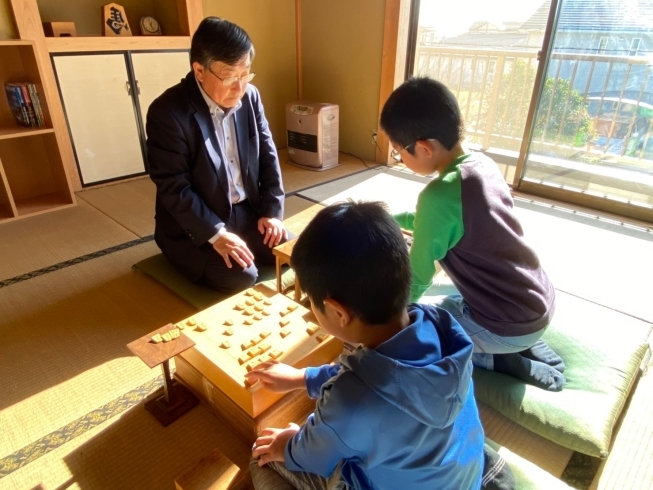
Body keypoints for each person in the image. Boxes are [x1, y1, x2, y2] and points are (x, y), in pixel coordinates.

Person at [245, 201, 485, 490]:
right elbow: (374, 376)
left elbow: (313, 451)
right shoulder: (440, 326)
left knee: (261, 455)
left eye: (310, 299)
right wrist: (302, 377)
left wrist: (289, 444)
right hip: (459, 475)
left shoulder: (350, 400)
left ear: (338, 312)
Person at [379, 77, 566, 391]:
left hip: (508, 325)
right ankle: (518, 344)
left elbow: (419, 276)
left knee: (428, 324)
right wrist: (386, 217)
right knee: (453, 301)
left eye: (399, 153)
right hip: (535, 298)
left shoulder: (438, 196)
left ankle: (501, 358)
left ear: (423, 149)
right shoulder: (482, 165)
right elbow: (436, 221)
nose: (400, 159)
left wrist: (392, 326)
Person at [146, 17, 290, 295]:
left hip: (247, 210)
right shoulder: (167, 112)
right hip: (198, 220)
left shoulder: (250, 96)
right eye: (229, 76)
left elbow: (268, 156)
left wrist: (272, 212)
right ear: (199, 70)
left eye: (245, 74)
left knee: (290, 252)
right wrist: (217, 234)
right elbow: (173, 186)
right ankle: (181, 253)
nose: (239, 88)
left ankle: (250, 235)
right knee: (241, 277)